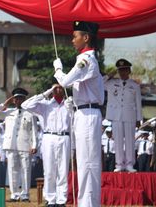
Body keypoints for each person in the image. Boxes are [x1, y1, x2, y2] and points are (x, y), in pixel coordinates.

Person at [53, 20, 104, 207]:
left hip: (89, 114)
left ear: (86, 37)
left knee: (89, 164)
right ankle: (85, 202)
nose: (72, 40)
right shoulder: (83, 59)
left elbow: (65, 81)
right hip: (82, 113)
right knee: (83, 163)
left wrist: (58, 69)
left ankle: (89, 204)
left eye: (75, 36)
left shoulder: (87, 60)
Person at [21, 83, 71, 207]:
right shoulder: (45, 105)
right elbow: (25, 105)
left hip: (65, 136)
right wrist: (46, 92)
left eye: (60, 87)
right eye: (55, 87)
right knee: (49, 170)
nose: (58, 89)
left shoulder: (69, 104)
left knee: (63, 170)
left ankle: (61, 200)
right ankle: (51, 199)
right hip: (49, 136)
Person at [0, 88, 38, 202]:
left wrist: (34, 145)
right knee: (12, 169)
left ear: (24, 99)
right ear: (13, 100)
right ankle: (14, 194)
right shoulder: (8, 112)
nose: (19, 101)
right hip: (11, 145)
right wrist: (5, 103)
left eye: (21, 98)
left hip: (25, 144)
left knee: (26, 170)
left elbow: (34, 130)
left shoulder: (30, 113)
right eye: (16, 98)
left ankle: (25, 195)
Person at [104, 58, 142, 172]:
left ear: (129, 71)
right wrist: (109, 76)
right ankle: (119, 164)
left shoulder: (134, 85)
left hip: (130, 115)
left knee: (130, 140)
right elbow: (100, 84)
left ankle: (130, 164)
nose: (122, 73)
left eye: (125, 70)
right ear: (118, 71)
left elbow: (138, 103)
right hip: (116, 116)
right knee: (118, 140)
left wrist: (139, 119)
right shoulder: (111, 83)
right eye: (120, 70)